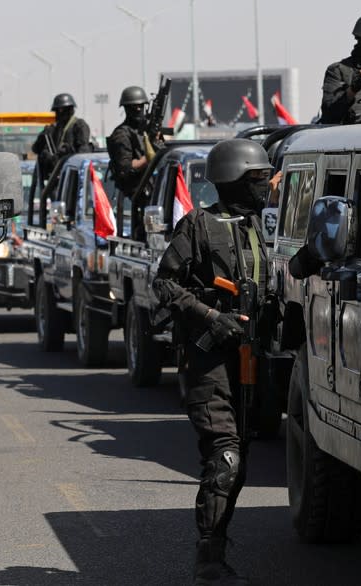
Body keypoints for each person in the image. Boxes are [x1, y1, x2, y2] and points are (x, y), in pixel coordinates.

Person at [152, 139, 274, 586]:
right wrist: (212, 317)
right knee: (225, 458)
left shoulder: (264, 228)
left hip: (251, 361)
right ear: (234, 179)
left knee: (240, 458)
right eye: (257, 178)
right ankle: (209, 564)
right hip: (209, 362)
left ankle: (217, 549)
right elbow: (164, 286)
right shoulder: (198, 226)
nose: (264, 186)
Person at [106, 86, 162, 239]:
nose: (138, 109)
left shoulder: (145, 131)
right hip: (138, 195)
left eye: (141, 106)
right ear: (126, 108)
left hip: (155, 192)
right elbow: (126, 168)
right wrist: (150, 156)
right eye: (134, 107)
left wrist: (157, 140)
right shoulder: (121, 135)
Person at [31, 93, 92, 182]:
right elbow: (36, 149)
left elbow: (83, 152)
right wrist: (42, 137)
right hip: (54, 176)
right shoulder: (53, 129)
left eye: (62, 110)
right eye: (58, 110)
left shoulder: (79, 125)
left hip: (72, 174)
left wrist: (68, 153)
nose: (59, 113)